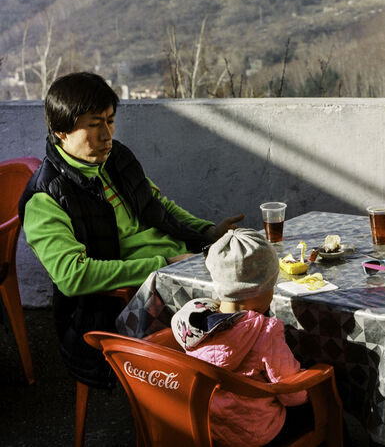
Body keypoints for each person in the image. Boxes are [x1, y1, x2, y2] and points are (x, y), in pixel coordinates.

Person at [19, 70, 245, 387]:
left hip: (179, 266)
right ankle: (240, 398)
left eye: (110, 121)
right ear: (61, 132)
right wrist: (162, 266)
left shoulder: (115, 159)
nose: (106, 135)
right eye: (94, 125)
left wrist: (207, 232)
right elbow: (72, 276)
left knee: (256, 277)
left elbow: (158, 205)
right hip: (130, 300)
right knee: (243, 312)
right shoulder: (45, 198)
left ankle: (253, 394)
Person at [171, 229, 308, 447]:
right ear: (261, 289)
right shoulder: (265, 332)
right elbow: (293, 395)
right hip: (258, 434)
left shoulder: (192, 323)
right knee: (322, 405)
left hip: (211, 429)